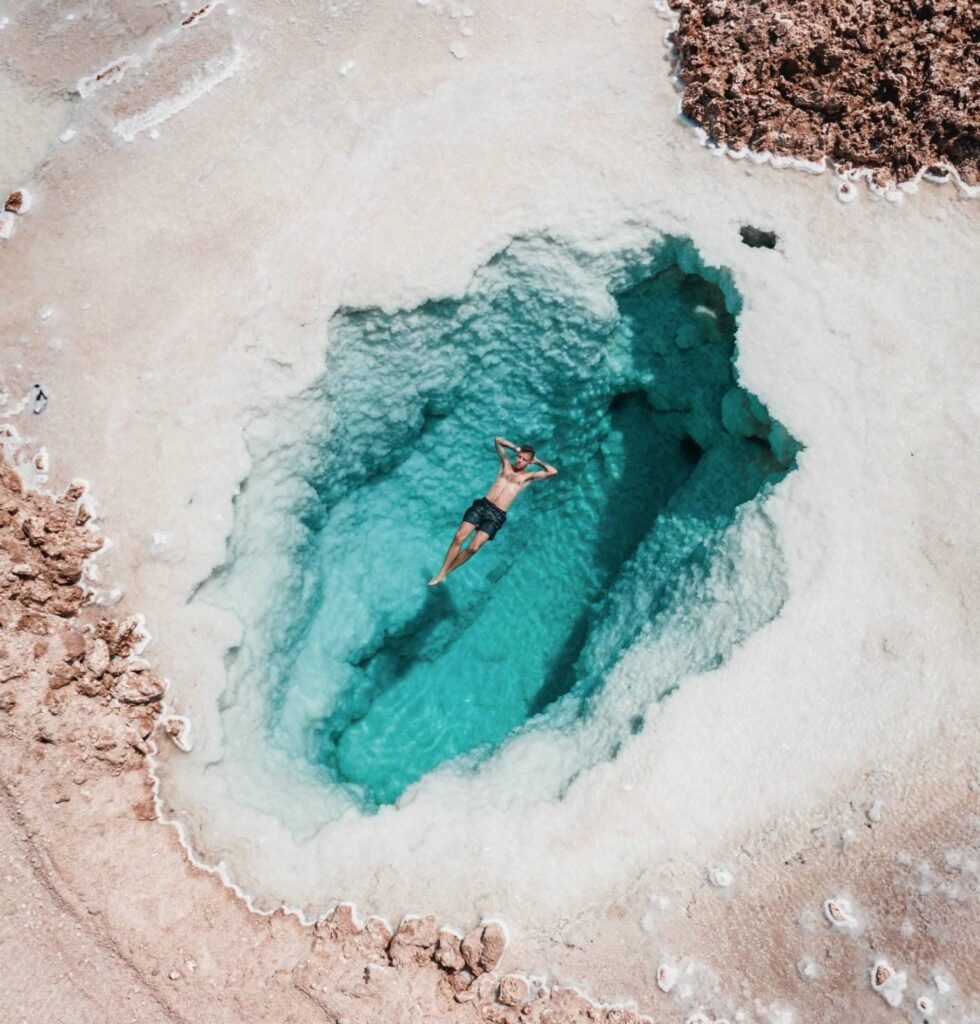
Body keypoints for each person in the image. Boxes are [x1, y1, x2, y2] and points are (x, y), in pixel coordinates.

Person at [427, 436, 558, 586]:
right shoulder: (505, 465)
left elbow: (553, 472)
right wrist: (516, 448)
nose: (519, 460)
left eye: (524, 460)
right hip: (483, 505)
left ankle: (446, 572)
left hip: (496, 516)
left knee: (473, 548)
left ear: (529, 462)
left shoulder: (528, 477)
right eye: (519, 457)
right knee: (458, 537)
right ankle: (442, 572)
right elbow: (498, 440)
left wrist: (537, 461)